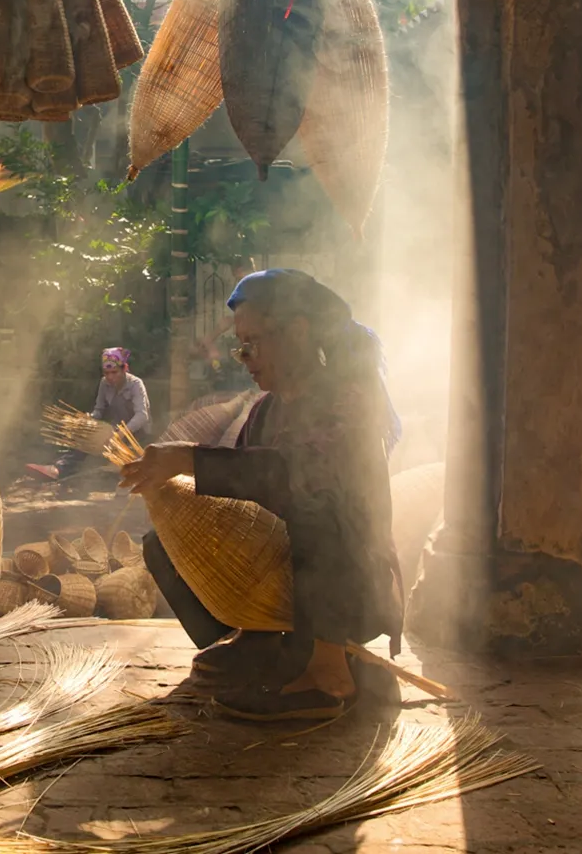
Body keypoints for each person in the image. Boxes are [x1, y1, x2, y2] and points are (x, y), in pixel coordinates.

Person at [118, 269, 404, 721]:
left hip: (349, 591)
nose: (244, 357)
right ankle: (258, 640)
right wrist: (173, 497)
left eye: (253, 342)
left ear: (298, 332)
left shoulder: (347, 401)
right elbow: (237, 505)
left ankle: (329, 673)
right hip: (289, 584)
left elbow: (295, 477)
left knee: (314, 510)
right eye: (240, 345)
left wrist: (189, 457)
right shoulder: (267, 410)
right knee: (163, 543)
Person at [27, 347, 152, 481]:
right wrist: (88, 420)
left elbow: (142, 416)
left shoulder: (136, 384)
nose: (110, 377)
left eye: (114, 372)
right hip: (115, 430)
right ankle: (59, 469)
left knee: (129, 465)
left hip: (136, 433)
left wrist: (120, 434)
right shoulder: (104, 383)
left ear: (125, 368)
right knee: (87, 435)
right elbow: (99, 410)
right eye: (106, 373)